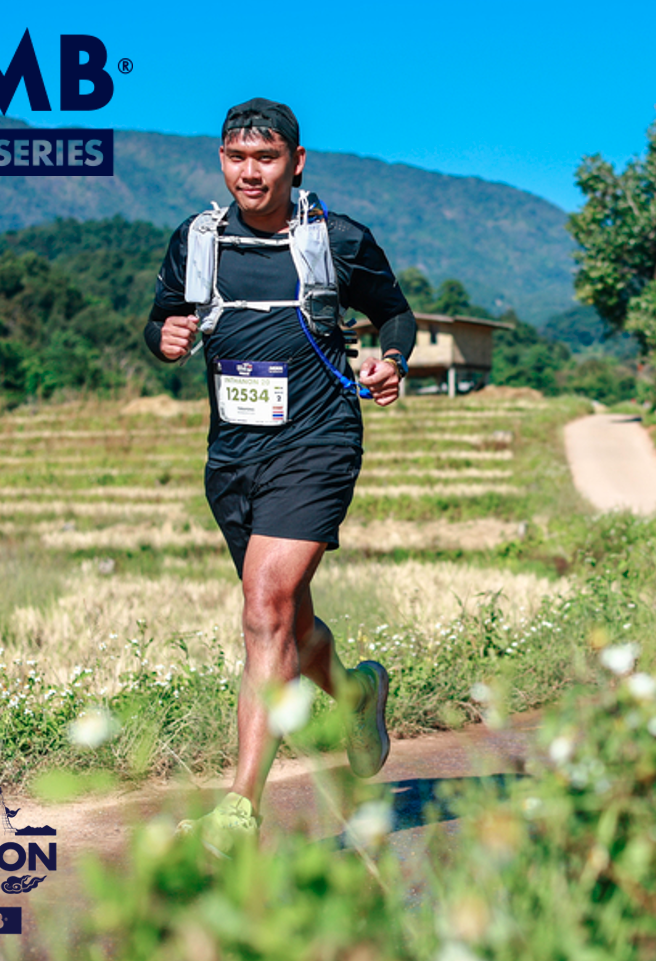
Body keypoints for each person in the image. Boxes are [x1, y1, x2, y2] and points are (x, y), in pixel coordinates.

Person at [144, 97, 417, 856]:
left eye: (266, 157)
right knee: (289, 621)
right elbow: (164, 317)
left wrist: (390, 360)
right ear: (221, 162)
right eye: (237, 157)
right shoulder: (197, 242)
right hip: (232, 455)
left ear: (296, 162)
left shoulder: (338, 240)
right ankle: (359, 692)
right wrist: (163, 337)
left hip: (318, 440)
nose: (250, 170)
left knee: (265, 603)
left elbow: (395, 313)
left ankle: (239, 807)